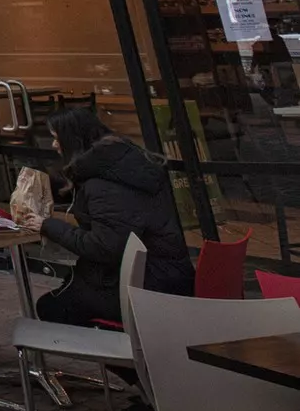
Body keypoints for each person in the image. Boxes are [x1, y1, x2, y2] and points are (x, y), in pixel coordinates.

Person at [18, 108, 194, 328]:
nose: (54, 145)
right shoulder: (122, 165)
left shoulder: (104, 185)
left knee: (52, 307)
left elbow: (105, 247)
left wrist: (49, 226)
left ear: (73, 139)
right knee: (65, 293)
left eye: (56, 138)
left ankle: (121, 356)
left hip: (146, 286)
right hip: (163, 276)